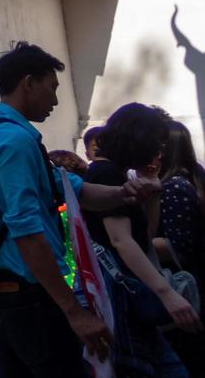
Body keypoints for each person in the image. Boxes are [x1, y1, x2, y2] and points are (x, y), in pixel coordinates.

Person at [0, 43, 165, 377]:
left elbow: (76, 191)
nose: (56, 100)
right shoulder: (13, 142)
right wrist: (73, 311)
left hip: (20, 295)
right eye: (52, 87)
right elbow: (27, 232)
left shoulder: (6, 134)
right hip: (27, 296)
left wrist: (125, 193)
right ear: (28, 83)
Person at [85, 103, 197, 374]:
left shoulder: (119, 174)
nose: (159, 151)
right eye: (156, 142)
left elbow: (143, 237)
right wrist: (167, 294)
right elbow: (122, 241)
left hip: (129, 301)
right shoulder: (106, 173)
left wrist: (153, 191)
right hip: (123, 302)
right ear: (138, 139)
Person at [155, 120, 205, 373]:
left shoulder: (174, 186)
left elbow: (178, 245)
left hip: (187, 285)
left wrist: (130, 243)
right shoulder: (195, 177)